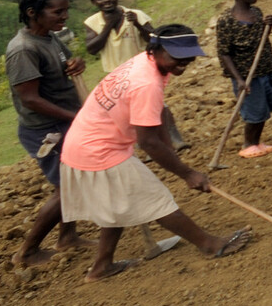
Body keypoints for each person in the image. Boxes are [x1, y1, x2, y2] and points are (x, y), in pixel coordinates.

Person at [60, 24, 251, 282]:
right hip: (98, 150)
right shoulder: (146, 83)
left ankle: (101, 267)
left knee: (119, 204)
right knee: (155, 199)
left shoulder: (148, 62)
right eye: (177, 57)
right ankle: (209, 245)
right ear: (157, 48)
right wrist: (187, 173)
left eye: (189, 58)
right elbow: (147, 143)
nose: (183, 64)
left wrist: (169, 150)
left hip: (87, 142)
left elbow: (157, 112)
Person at [4, 0, 92, 267]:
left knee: (73, 182)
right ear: (33, 13)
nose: (65, 16)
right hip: (46, 130)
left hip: (64, 120)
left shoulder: (50, 38)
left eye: (66, 10)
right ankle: (27, 252)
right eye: (58, 11)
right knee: (67, 188)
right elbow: (29, 99)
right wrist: (75, 118)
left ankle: (67, 236)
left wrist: (76, 63)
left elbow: (66, 64)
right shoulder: (22, 50)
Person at [83, 0, 189, 150]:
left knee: (158, 105)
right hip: (116, 74)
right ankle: (146, 145)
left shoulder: (136, 14)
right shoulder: (92, 22)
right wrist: (109, 25)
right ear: (94, 2)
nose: (107, 0)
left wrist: (138, 25)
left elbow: (154, 40)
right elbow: (91, 49)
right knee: (129, 111)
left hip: (142, 69)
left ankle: (174, 139)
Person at [213, 0, 272, 158]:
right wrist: (238, 79)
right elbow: (224, 53)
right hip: (247, 75)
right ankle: (248, 144)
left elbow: (261, 40)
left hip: (264, 69)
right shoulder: (227, 21)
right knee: (254, 111)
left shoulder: (256, 12)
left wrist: (269, 26)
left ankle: (257, 142)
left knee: (264, 108)